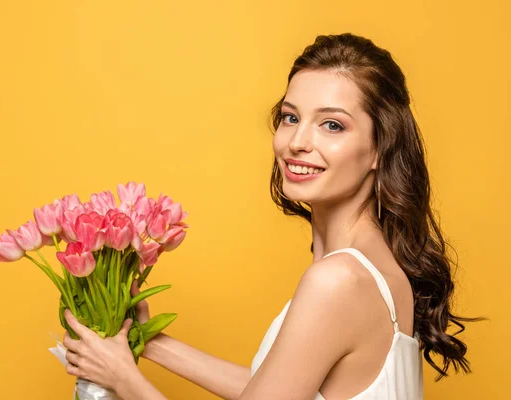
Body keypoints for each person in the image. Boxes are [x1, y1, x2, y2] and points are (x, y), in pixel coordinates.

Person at [61, 33, 476, 399]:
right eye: (291, 118)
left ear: (379, 149)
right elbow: (279, 386)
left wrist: (123, 377)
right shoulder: (370, 265)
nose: (297, 142)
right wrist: (150, 342)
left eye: (332, 125)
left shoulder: (339, 281)